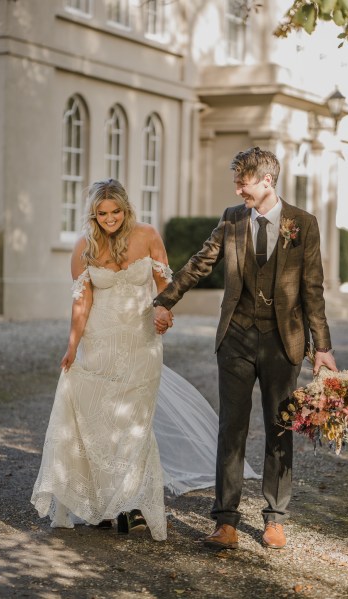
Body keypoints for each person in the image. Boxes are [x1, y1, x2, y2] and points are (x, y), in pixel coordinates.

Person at [31, 178, 259, 541]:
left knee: (135, 425)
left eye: (116, 211)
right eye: (102, 213)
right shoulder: (83, 248)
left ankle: (132, 506)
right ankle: (103, 505)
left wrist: (163, 313)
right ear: (93, 214)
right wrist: (72, 345)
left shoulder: (149, 234)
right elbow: (81, 302)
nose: (110, 219)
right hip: (99, 344)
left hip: (141, 343)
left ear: (126, 208)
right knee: (97, 424)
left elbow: (164, 288)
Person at [153, 147, 337, 550]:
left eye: (244, 182)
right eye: (236, 182)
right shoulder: (232, 219)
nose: (239, 190)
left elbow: (312, 289)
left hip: (282, 341)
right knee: (230, 429)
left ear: (267, 181)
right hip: (235, 337)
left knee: (279, 427)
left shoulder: (302, 224)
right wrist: (165, 300)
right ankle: (225, 522)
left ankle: (274, 518)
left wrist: (321, 346)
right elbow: (201, 263)